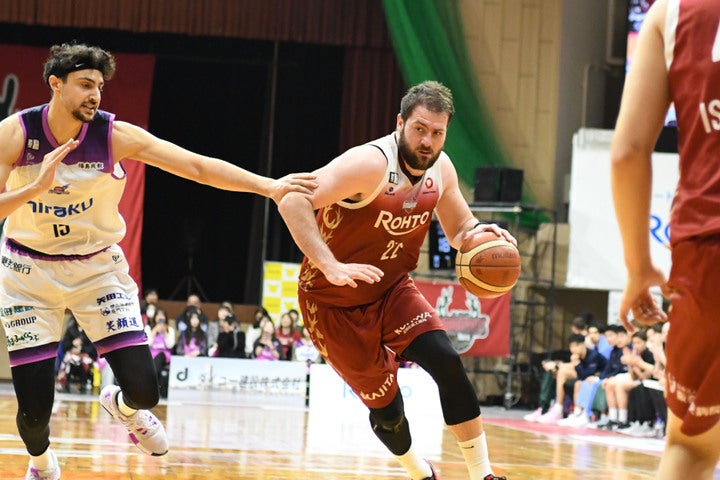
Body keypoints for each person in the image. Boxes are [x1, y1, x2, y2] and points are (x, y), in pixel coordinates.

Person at [0, 42, 316, 480]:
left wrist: (270, 186)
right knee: (34, 415)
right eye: (85, 84)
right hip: (28, 271)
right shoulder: (16, 134)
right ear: (55, 84)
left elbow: (196, 166)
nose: (95, 94)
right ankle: (41, 464)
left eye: (99, 86)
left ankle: (122, 407)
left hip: (96, 269)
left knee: (145, 390)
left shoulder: (114, 135)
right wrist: (35, 188)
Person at [277, 80, 509, 480]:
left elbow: (460, 229)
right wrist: (329, 264)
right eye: (419, 129)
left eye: (437, 133)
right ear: (400, 123)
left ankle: (483, 474)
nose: (427, 141)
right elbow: (291, 199)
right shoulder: (367, 164)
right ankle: (420, 472)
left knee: (447, 360)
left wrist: (480, 234)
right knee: (389, 411)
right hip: (332, 303)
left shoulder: (441, 168)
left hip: (391, 289)